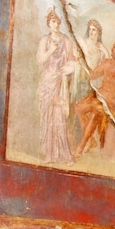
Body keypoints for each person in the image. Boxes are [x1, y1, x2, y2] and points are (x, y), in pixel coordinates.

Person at [73, 40, 115, 158]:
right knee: (78, 107)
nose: (114, 49)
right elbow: (92, 75)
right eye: (113, 47)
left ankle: (80, 147)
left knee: (95, 114)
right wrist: (82, 60)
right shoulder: (106, 63)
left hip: (110, 103)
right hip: (97, 96)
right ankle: (90, 139)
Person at [36, 9, 77, 163]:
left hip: (61, 81)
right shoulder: (45, 41)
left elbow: (73, 60)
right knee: (48, 117)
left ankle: (64, 154)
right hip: (48, 81)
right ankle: (49, 153)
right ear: (48, 24)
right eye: (53, 21)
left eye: (58, 21)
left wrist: (71, 67)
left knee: (60, 116)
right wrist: (51, 51)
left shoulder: (66, 41)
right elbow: (40, 60)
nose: (56, 23)